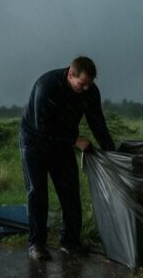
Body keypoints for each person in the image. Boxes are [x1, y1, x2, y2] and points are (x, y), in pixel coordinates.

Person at [20, 56, 115, 260]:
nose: (86, 89)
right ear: (71, 75)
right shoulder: (47, 86)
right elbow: (42, 126)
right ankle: (36, 244)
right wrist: (75, 139)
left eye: (89, 84)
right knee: (37, 191)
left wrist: (111, 154)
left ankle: (69, 242)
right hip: (35, 141)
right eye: (82, 84)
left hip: (62, 143)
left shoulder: (90, 92)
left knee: (70, 190)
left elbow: (98, 125)